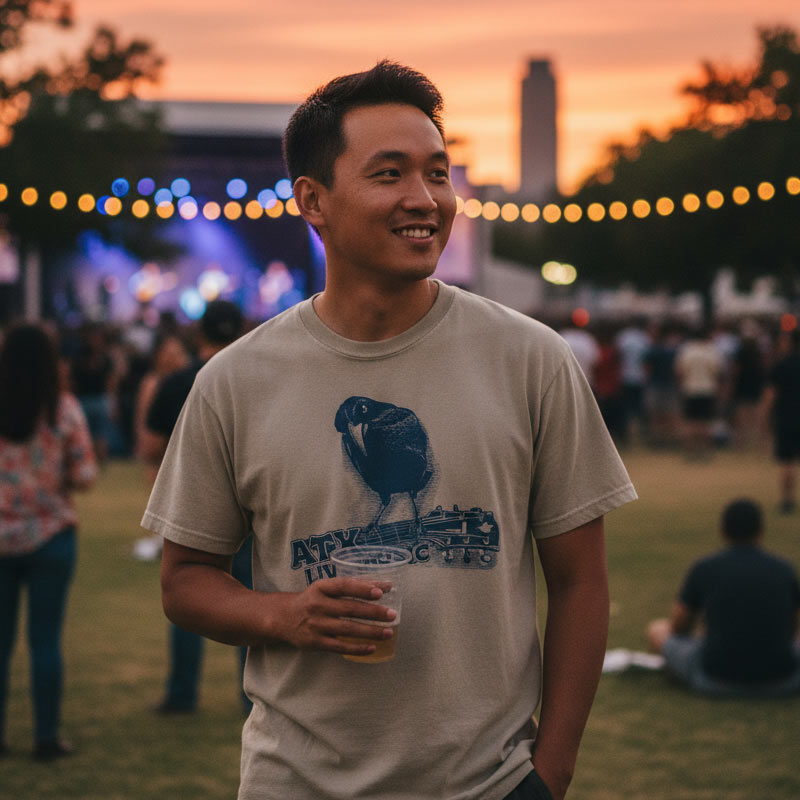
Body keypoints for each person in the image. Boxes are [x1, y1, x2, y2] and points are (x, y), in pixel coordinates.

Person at [142, 61, 636, 800]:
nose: (425, 199)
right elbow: (185, 581)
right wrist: (283, 613)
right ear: (314, 200)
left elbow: (578, 581)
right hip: (294, 781)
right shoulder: (236, 382)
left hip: (487, 784)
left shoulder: (531, 360)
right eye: (389, 174)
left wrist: (550, 773)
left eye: (437, 172)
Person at [140, 301, 253, 714]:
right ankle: (250, 699)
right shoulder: (252, 378)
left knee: (189, 592)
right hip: (250, 506)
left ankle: (182, 692)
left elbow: (150, 446)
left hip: (191, 501)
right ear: (240, 329)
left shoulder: (176, 383)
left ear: (200, 333)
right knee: (250, 597)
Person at [0, 323, 97, 760]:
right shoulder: (64, 411)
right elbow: (85, 476)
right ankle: (45, 736)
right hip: (51, 537)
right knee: (45, 640)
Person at [646, 499, 800, 696]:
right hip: (783, 678)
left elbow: (678, 627)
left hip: (715, 678)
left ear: (723, 530)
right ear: (761, 530)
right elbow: (792, 630)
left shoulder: (704, 568)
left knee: (657, 630)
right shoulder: (784, 569)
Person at [760, 328, 800, 513]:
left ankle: (787, 501)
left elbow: (770, 395)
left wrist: (764, 417)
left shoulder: (780, 366)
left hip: (786, 418)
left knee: (787, 462)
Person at [674, 325, 724, 457]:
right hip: (708, 389)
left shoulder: (687, 350)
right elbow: (717, 371)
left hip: (690, 389)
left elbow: (679, 371)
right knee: (706, 422)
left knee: (691, 421)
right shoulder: (711, 350)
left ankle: (691, 450)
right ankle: (706, 450)